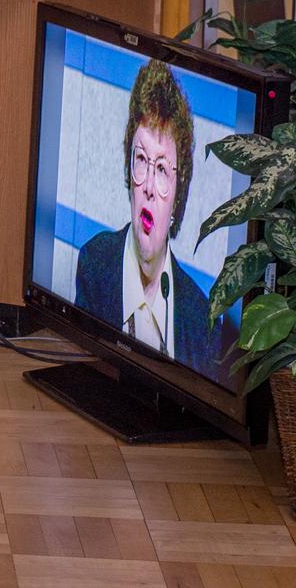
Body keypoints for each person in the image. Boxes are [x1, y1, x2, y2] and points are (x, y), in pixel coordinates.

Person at [74, 60, 233, 384]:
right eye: (141, 160)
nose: (147, 184)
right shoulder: (95, 263)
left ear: (178, 194)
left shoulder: (202, 320)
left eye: (162, 169)